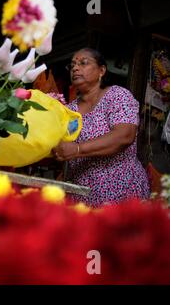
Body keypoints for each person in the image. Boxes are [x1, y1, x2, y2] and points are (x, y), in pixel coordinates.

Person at [52, 48, 150, 207]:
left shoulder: (117, 95)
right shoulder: (69, 110)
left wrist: (77, 149)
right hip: (80, 194)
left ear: (101, 70)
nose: (75, 68)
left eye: (83, 63)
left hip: (120, 192)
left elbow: (124, 135)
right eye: (72, 65)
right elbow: (61, 144)